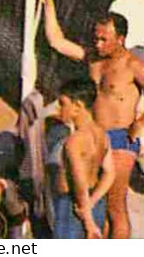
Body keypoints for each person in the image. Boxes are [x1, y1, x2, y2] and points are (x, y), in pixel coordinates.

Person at [39, 0, 144, 238]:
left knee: (114, 205)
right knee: (95, 202)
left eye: (104, 39)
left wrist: (141, 122)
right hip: (96, 137)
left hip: (121, 138)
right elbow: (57, 42)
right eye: (96, 38)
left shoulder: (133, 65)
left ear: (121, 39)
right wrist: (49, 2)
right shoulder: (93, 59)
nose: (98, 44)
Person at [50, 78, 112, 239]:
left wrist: (87, 220)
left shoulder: (74, 141)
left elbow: (79, 183)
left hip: (73, 206)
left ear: (77, 107)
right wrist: (92, 202)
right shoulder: (102, 134)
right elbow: (109, 173)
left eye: (63, 103)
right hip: (95, 203)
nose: (59, 109)